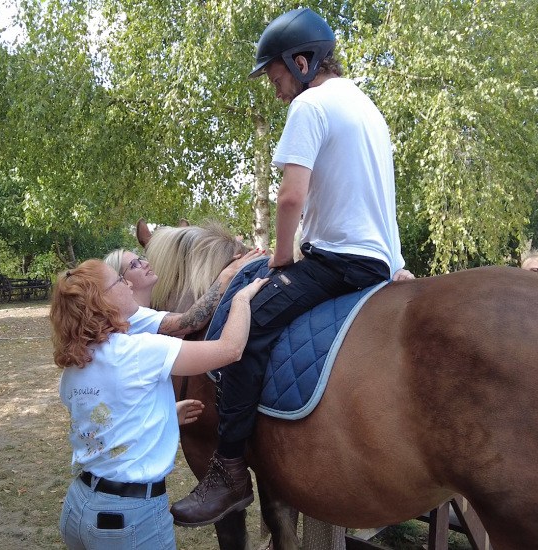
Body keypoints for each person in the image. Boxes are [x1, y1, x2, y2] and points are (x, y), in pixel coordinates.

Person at [171, 7, 414, 527]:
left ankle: (230, 471)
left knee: (246, 323)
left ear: (302, 62)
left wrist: (280, 259)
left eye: (278, 77)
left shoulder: (310, 107)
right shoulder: (368, 109)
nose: (278, 90)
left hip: (335, 260)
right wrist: (395, 263)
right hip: (375, 261)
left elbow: (289, 199)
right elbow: (380, 200)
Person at [52, 259, 268, 550]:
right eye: (119, 280)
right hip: (129, 519)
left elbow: (105, 421)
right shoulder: (139, 351)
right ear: (100, 301)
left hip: (79, 508)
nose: (128, 283)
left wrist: (165, 416)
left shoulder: (75, 366)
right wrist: (241, 298)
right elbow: (230, 349)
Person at [104, 247, 264, 424]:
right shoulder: (133, 316)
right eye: (134, 265)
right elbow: (191, 321)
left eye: (140, 258)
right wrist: (227, 277)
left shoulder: (139, 315)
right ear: (123, 281)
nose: (145, 263)